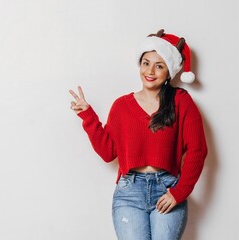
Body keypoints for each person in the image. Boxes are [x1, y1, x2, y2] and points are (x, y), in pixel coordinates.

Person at [69, 29, 208, 240]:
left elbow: (198, 150)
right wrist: (88, 116)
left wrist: (179, 192)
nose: (150, 71)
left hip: (167, 188)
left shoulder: (181, 101)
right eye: (146, 63)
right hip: (129, 193)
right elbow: (108, 153)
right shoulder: (122, 106)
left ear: (169, 72)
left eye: (159, 65)